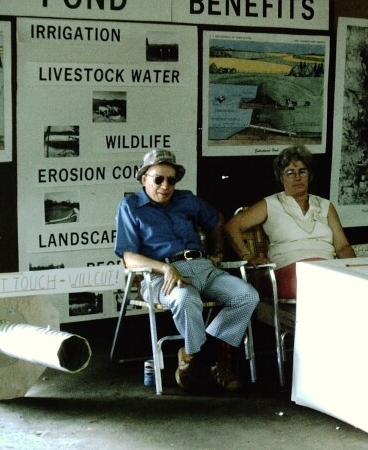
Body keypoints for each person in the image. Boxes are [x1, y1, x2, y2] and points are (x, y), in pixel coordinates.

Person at [114, 149, 259, 393]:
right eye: (158, 179)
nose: (165, 186)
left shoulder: (187, 199)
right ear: (144, 179)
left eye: (171, 180)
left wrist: (218, 251)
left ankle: (190, 355)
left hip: (202, 267)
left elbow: (217, 219)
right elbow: (128, 257)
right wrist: (165, 268)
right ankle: (213, 362)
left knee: (247, 296)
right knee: (184, 299)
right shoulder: (130, 206)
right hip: (160, 275)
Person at [225, 145, 355, 300]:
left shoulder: (325, 205)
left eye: (302, 171)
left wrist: (356, 270)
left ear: (310, 175)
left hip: (327, 268)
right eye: (290, 173)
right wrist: (248, 256)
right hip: (287, 270)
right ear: (281, 178)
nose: (297, 178)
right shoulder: (270, 204)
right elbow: (232, 226)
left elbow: (342, 247)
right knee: (324, 287)